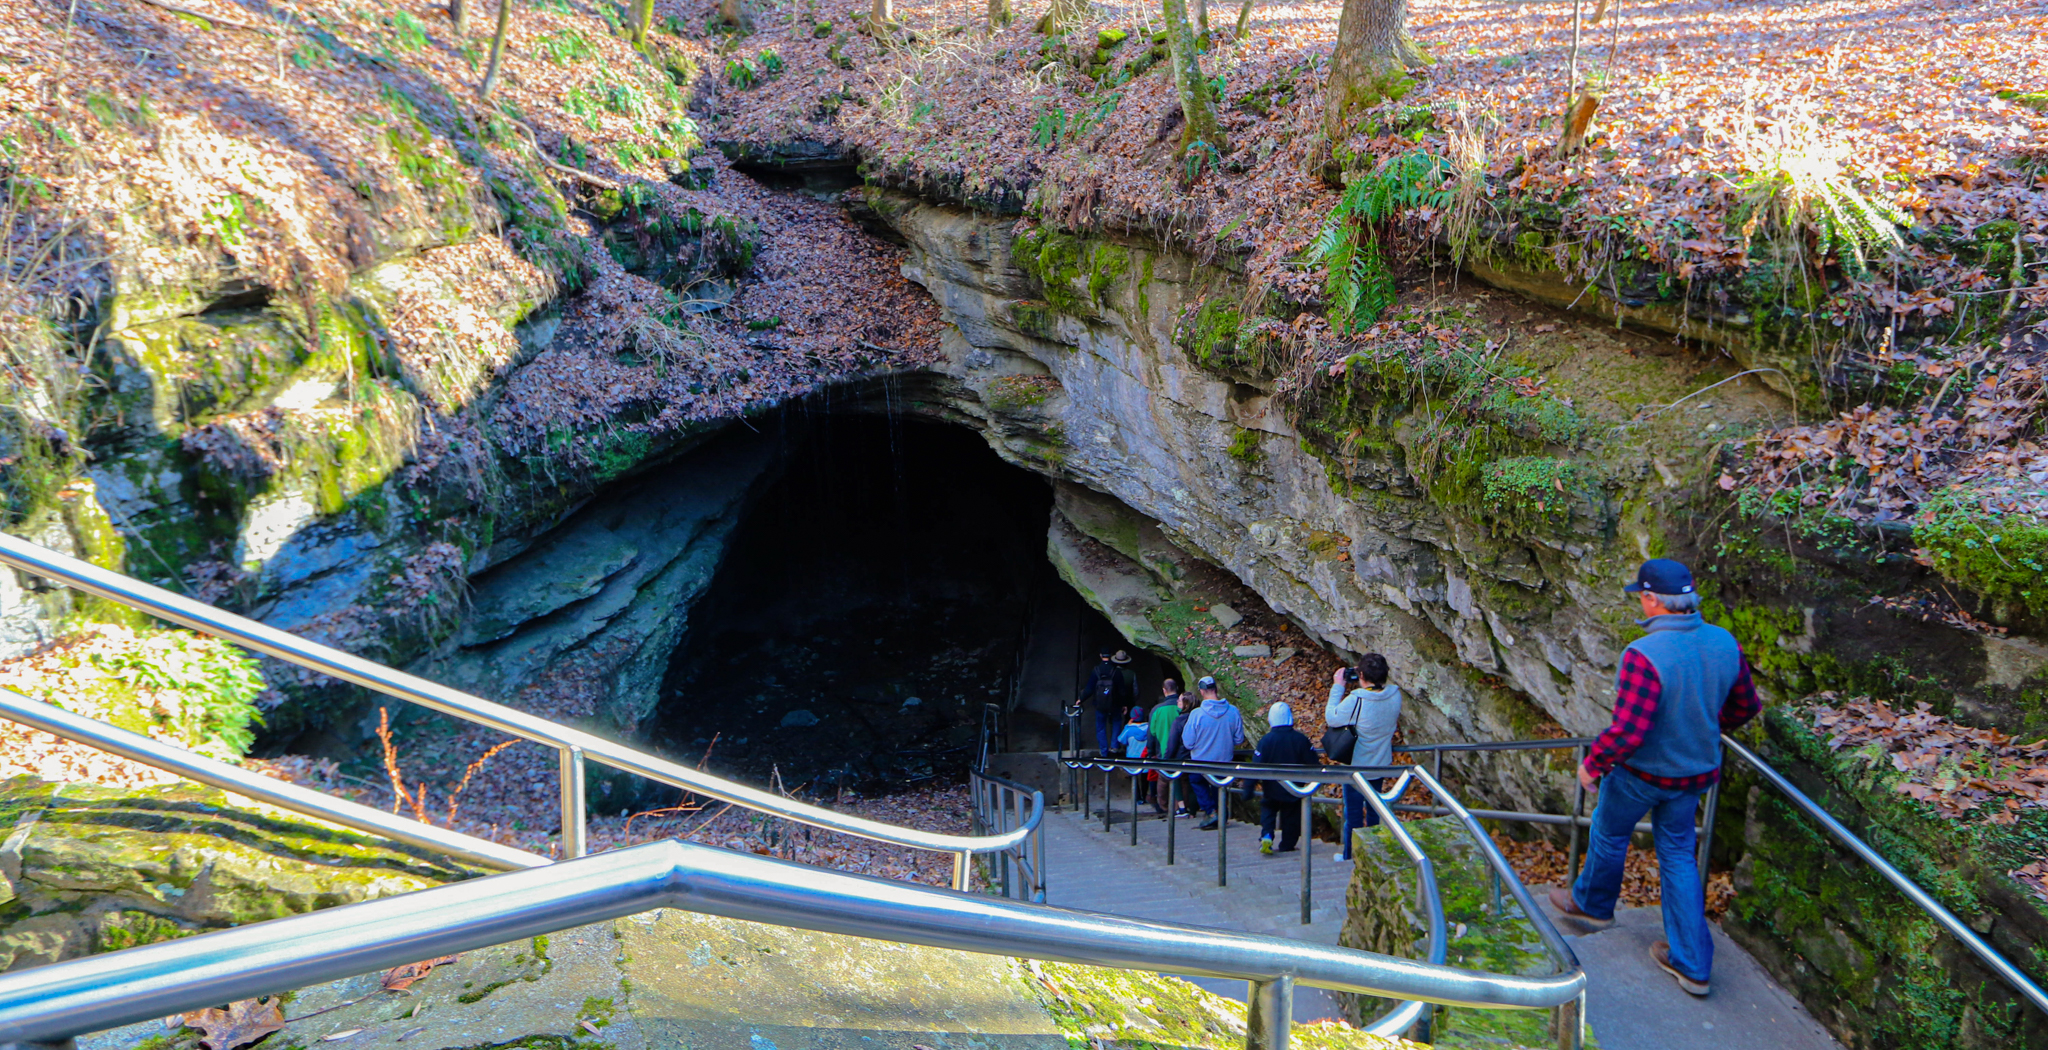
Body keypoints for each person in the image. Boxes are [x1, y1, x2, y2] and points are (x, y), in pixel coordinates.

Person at [1547, 558, 1761, 998]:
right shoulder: (1723, 642)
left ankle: (1592, 906)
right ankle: (1692, 963)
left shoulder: (1644, 655)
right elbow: (1745, 707)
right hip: (1695, 773)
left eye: (1641, 596)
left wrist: (1593, 763)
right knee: (1679, 856)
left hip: (1641, 774)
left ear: (1650, 599)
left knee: (1609, 834)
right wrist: (1701, 725)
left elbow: (1629, 730)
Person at [1327, 653, 1402, 862]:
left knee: (1353, 814)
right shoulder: (1395, 695)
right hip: (1380, 763)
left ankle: (1351, 855)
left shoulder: (1357, 699)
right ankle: (1374, 854)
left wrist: (1338, 686)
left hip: (1357, 767)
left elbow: (1331, 718)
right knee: (1374, 811)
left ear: (1360, 674)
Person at [1180, 676, 1245, 830]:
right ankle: (1220, 813)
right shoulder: (1233, 711)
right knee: (1219, 785)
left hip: (1201, 762)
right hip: (1224, 762)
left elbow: (1188, 742)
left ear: (1202, 692)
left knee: (1196, 780)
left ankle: (1211, 811)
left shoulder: (1196, 714)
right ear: (1216, 689)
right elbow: (1239, 739)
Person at [1254, 702, 1319, 854]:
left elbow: (1256, 765)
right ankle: (1287, 844)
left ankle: (1267, 835)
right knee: (1291, 816)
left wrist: (1249, 787)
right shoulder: (1300, 739)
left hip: (1271, 787)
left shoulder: (1266, 741)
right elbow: (1312, 762)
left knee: (1268, 810)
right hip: (1294, 787)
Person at [1080, 649, 1134, 756]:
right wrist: (1124, 704)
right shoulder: (1116, 671)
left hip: (1100, 704)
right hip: (1115, 703)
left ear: (1100, 656)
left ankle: (1104, 751)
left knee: (1101, 727)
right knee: (1116, 723)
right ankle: (1114, 747)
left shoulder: (1096, 670)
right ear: (1110, 656)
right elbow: (1122, 690)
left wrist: (1081, 699)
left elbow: (1089, 688)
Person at [1147, 679, 1184, 813]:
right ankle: (1184, 806)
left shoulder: (1157, 710)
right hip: (1183, 752)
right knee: (1183, 780)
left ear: (1164, 690)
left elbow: (1151, 733)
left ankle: (1164, 807)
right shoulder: (1183, 707)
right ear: (1177, 688)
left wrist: (1150, 752)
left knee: (1163, 780)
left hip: (1163, 752)